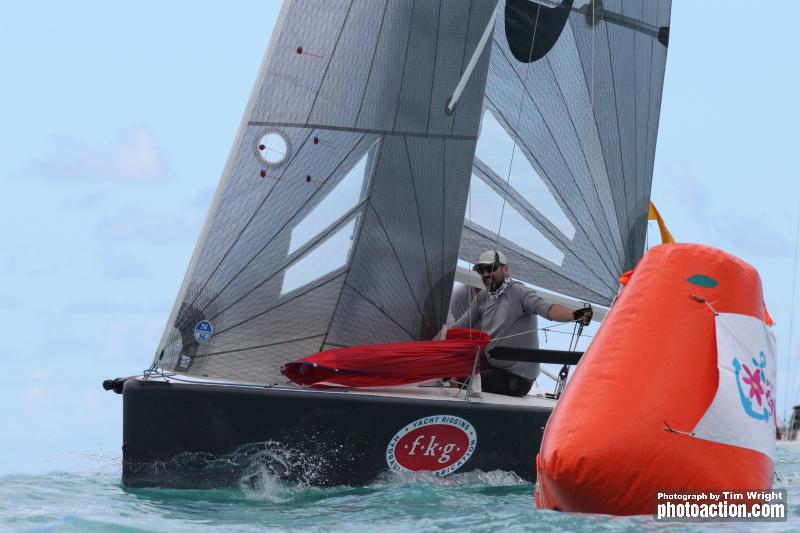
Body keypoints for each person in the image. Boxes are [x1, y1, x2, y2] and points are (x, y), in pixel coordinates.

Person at [450, 250, 592, 397]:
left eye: (491, 268)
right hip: (492, 362)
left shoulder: (519, 292)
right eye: (481, 270)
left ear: (505, 269)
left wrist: (576, 315)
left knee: (459, 380)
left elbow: (547, 309)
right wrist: (437, 340)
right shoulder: (483, 297)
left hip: (516, 378)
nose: (486, 274)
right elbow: (461, 325)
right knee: (451, 370)